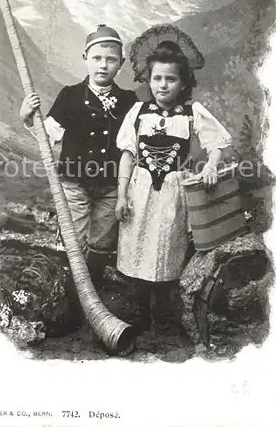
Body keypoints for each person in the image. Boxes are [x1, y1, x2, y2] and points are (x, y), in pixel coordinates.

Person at [115, 40, 232, 335]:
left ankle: (165, 312)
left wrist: (210, 165)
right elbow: (127, 155)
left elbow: (217, 144)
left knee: (169, 246)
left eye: (171, 79)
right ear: (148, 80)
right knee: (136, 245)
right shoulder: (138, 112)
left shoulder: (192, 114)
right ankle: (138, 310)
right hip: (140, 189)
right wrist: (121, 195)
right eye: (157, 78)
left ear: (183, 83)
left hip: (172, 191)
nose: (163, 85)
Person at [20, 25, 137, 289]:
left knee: (102, 243)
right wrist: (27, 118)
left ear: (121, 63)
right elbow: (48, 135)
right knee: (73, 241)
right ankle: (69, 295)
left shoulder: (129, 100)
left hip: (110, 187)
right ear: (85, 58)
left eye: (111, 59)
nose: (103, 65)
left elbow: (134, 144)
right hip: (74, 184)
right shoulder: (70, 96)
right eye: (97, 58)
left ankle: (92, 294)